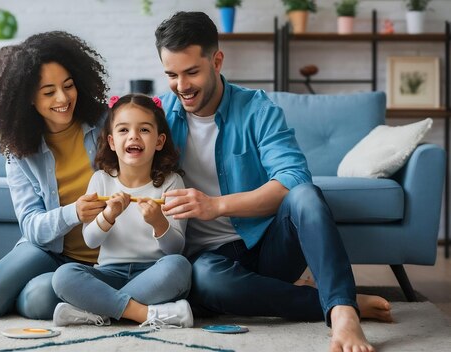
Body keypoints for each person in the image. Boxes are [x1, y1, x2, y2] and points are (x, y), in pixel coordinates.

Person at [154, 12, 392, 352]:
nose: (182, 86)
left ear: (217, 60)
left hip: (267, 247)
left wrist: (216, 205)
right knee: (205, 280)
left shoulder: (258, 109)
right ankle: (335, 300)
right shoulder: (159, 115)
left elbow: (292, 178)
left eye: (192, 72)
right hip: (210, 259)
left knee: (307, 196)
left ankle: (343, 315)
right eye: (172, 75)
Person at [0, 31, 110, 320]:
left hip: (103, 258)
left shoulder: (105, 125)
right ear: (28, 99)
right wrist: (74, 213)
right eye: (49, 92)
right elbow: (31, 226)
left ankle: (5, 280)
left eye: (69, 86)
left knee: (38, 303)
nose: (63, 98)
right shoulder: (19, 151)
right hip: (49, 251)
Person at [51, 94, 193, 328]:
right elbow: (91, 240)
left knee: (179, 266)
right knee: (64, 275)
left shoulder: (172, 182)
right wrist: (108, 216)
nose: (134, 136)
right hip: (108, 275)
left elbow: (175, 248)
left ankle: (98, 310)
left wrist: (158, 222)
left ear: (159, 141)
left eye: (144, 130)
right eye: (123, 130)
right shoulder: (101, 180)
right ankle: (143, 314)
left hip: (153, 274)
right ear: (112, 141)